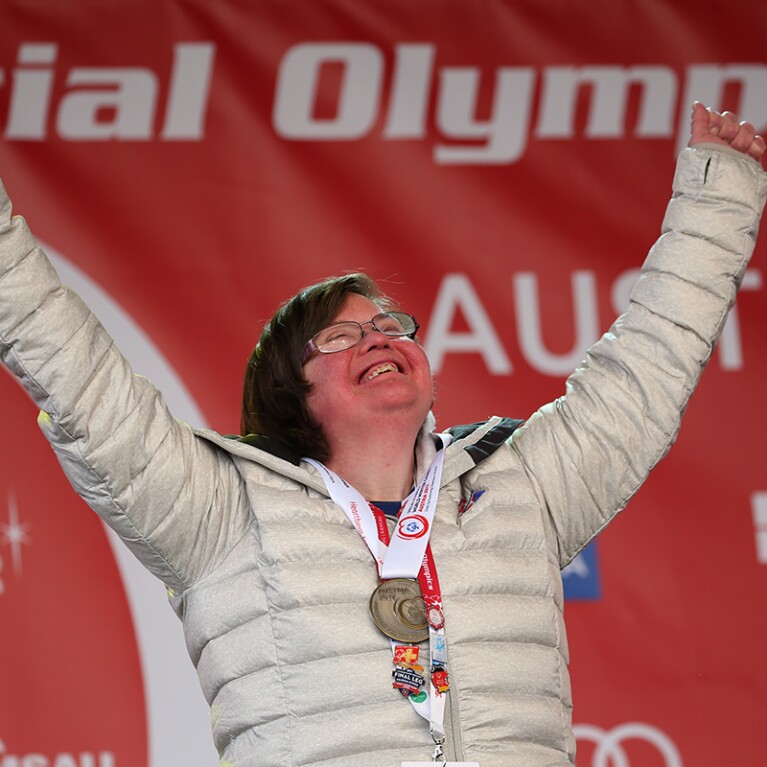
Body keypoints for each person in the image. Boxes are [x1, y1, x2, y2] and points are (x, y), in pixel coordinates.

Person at [0, 103, 765, 767]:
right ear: (288, 390)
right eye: (338, 338)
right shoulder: (217, 512)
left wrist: (717, 201)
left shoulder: (519, 487)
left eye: (389, 325)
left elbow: (643, 375)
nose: (376, 339)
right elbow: (77, 373)